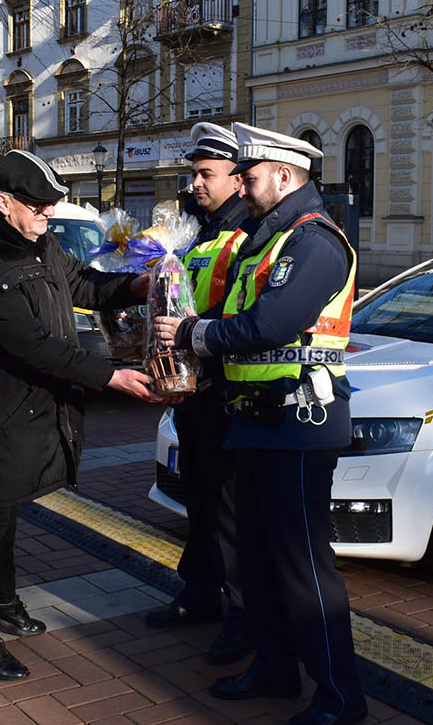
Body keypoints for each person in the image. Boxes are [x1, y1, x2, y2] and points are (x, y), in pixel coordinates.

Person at [153, 123, 367, 725]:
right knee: (258, 559)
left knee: (302, 567)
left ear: (284, 175)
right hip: (255, 421)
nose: (242, 188)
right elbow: (236, 315)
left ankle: (340, 696)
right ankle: (275, 668)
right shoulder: (269, 239)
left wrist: (193, 332)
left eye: (248, 178)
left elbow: (269, 324)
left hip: (299, 422)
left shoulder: (313, 241)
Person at [0, 149, 163, 681]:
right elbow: (30, 343)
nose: (49, 214)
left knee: (8, 507)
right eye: (39, 206)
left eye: (52, 204)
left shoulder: (35, 237)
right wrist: (109, 376)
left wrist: (134, 286)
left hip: (27, 406)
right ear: (4, 203)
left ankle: (3, 601)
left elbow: (80, 283)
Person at [143, 123, 253, 666]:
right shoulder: (196, 233)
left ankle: (242, 619)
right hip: (191, 391)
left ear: (238, 178)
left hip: (225, 393)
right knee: (200, 502)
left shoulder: (248, 235)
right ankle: (199, 592)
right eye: (194, 173)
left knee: (230, 512)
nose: (196, 183)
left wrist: (187, 330)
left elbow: (241, 313)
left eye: (207, 174)